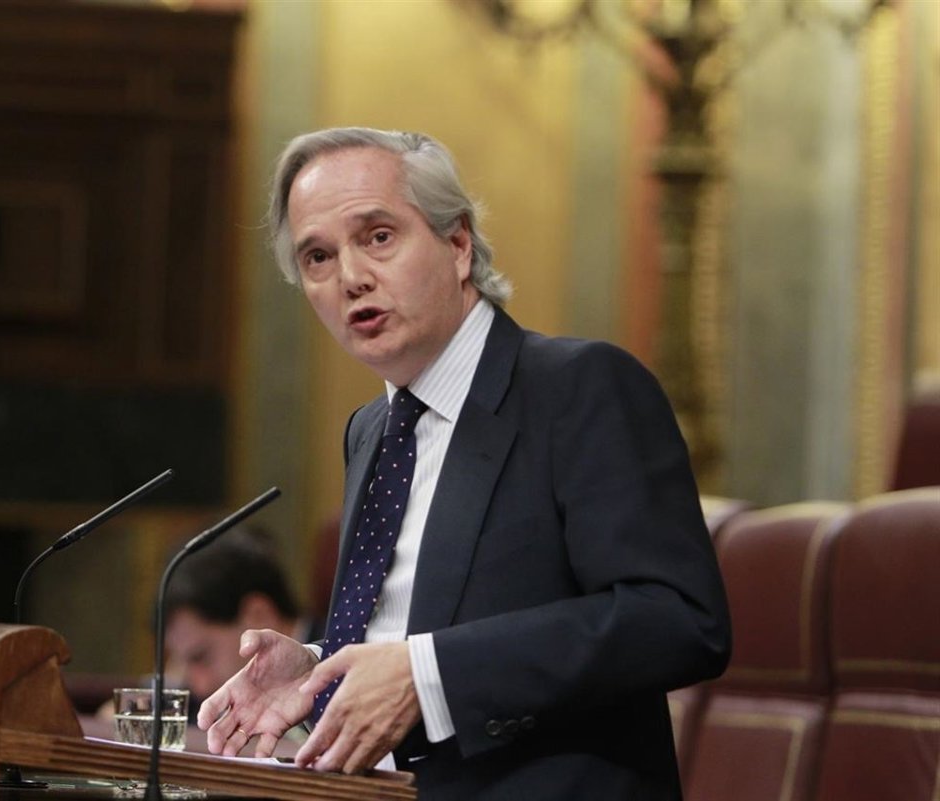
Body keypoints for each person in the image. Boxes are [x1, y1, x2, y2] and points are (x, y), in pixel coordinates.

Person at [198, 127, 731, 799]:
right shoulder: (371, 430)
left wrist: (429, 676)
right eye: (318, 256)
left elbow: (679, 620)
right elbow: (417, 626)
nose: (351, 277)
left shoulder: (578, 388)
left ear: (458, 245)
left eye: (378, 237)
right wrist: (317, 672)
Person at [163, 525, 317, 704]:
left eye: (201, 657)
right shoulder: (199, 702)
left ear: (258, 615)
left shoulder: (338, 667)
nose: (200, 687)